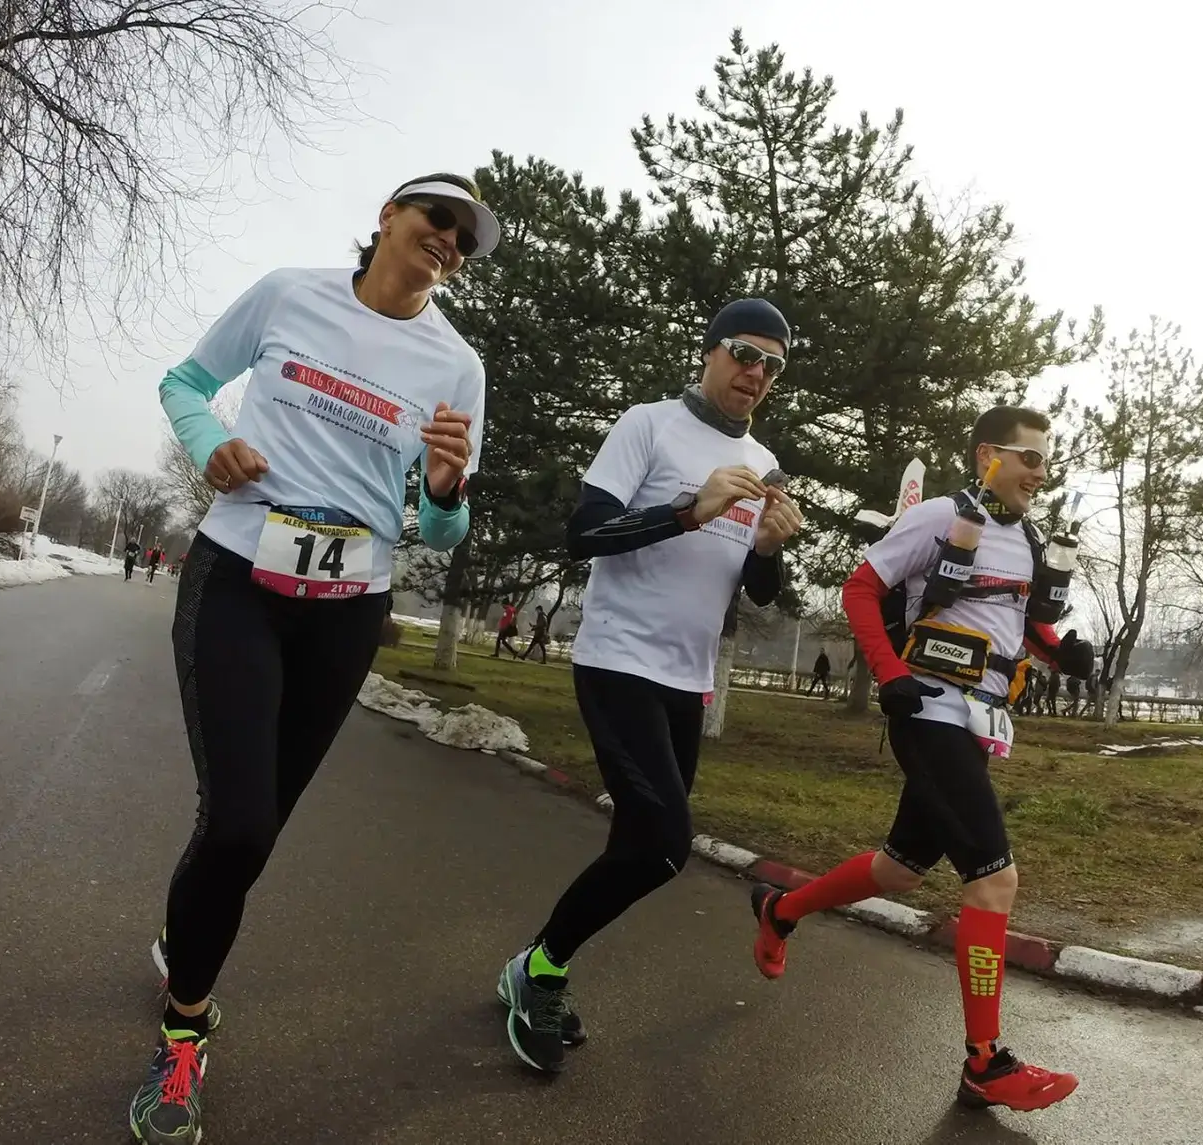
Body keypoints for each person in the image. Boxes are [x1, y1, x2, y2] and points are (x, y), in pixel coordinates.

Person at [127, 171, 501, 1145]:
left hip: (347, 607)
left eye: (466, 239)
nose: (451, 240)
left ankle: (185, 932)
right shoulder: (290, 293)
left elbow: (443, 530)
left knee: (250, 831)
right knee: (240, 822)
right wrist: (211, 443)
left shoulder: (457, 366)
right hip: (240, 577)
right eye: (439, 218)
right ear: (388, 216)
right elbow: (184, 383)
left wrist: (446, 489)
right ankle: (184, 1029)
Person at [745, 406, 1095, 1114]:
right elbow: (861, 589)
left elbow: (1020, 625)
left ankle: (782, 909)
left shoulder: (1029, 539)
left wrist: (1064, 653)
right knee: (994, 880)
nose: (1041, 472)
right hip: (928, 712)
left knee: (900, 869)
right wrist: (890, 674)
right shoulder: (939, 516)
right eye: (1030, 457)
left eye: (1046, 461)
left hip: (978, 723)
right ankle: (985, 1062)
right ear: (988, 456)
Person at [497, 298, 804, 1076]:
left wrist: (768, 549)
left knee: (641, 844)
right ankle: (540, 969)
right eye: (744, 353)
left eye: (772, 364)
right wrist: (690, 509)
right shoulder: (649, 425)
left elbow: (758, 591)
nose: (756, 372)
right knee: (666, 845)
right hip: (617, 660)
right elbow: (584, 534)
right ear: (710, 351)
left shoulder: (763, 459)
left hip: (685, 678)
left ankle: (536, 963)